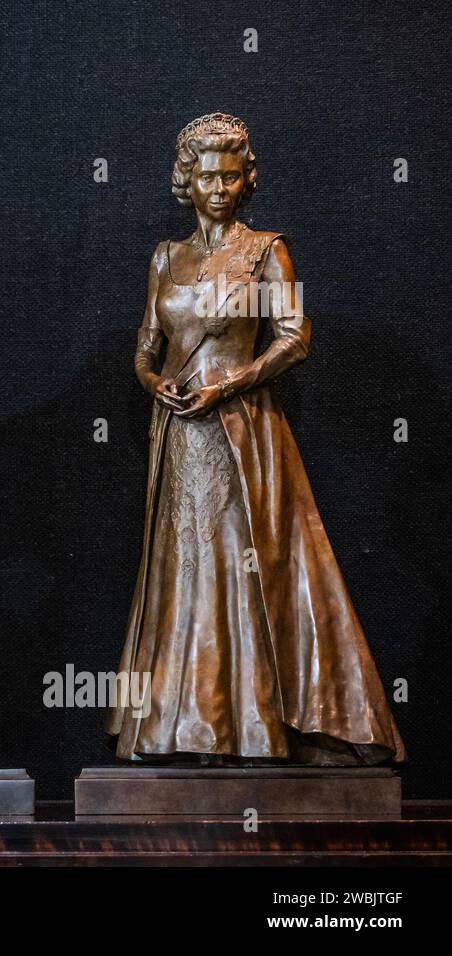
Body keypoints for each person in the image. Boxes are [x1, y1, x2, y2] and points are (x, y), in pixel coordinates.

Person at [106, 112, 405, 766]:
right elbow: (143, 348)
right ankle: (182, 727)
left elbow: (296, 338)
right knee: (185, 569)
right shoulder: (165, 257)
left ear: (247, 181)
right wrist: (154, 380)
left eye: (230, 175)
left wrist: (230, 383)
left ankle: (255, 725)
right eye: (206, 175)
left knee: (247, 565)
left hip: (242, 431)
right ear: (187, 179)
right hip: (180, 431)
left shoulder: (266, 251)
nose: (217, 186)